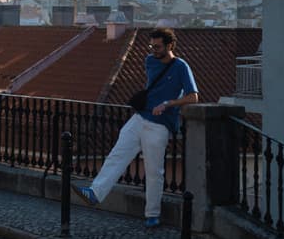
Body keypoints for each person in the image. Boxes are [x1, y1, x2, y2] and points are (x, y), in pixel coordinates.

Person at [73, 28, 198, 228]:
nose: (154, 50)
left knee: (154, 171)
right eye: (152, 46)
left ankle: (152, 215)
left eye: (158, 47)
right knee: (117, 155)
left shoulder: (181, 66)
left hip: (160, 125)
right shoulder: (150, 61)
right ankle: (95, 193)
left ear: (170, 46)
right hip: (139, 118)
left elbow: (193, 97)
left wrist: (168, 104)